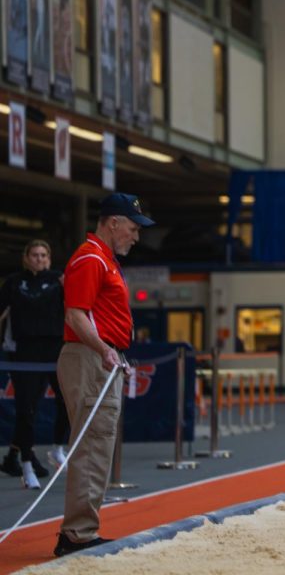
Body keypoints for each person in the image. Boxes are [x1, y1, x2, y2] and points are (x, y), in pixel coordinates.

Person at [54, 193, 153, 557]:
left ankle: (79, 531)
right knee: (93, 446)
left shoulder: (101, 259)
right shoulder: (92, 258)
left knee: (97, 446)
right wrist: (104, 349)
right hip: (92, 359)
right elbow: (75, 314)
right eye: (132, 227)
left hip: (99, 358)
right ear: (113, 223)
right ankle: (77, 534)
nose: (136, 236)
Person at [1, 240, 70, 489]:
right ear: (26, 257)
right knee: (25, 409)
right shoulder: (13, 282)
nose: (39, 259)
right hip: (25, 352)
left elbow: (78, 306)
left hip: (54, 348)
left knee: (67, 400)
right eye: (34, 255)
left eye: (43, 255)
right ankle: (27, 464)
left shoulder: (58, 279)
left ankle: (57, 448)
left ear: (49, 258)